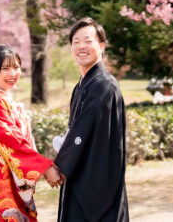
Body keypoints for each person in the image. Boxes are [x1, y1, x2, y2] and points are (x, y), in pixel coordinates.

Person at [0, 45, 63, 221]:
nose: (13, 73)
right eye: (5, 68)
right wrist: (45, 168)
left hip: (2, 186)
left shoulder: (3, 102)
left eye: (16, 67)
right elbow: (10, 141)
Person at [53, 18, 129, 222]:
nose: (81, 46)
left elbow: (82, 132)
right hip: (83, 176)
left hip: (97, 182)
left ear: (101, 46)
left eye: (88, 41)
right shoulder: (83, 85)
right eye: (76, 42)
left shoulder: (104, 85)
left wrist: (59, 166)